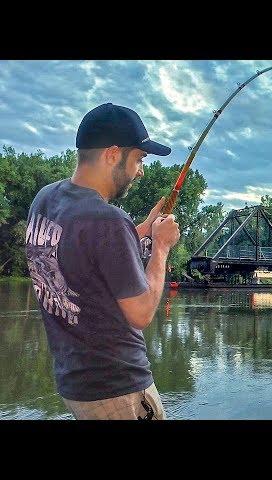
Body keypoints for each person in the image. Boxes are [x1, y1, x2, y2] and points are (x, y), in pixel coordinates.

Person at [24, 103, 180, 420]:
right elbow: (141, 313)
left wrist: (142, 230)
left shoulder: (47, 198)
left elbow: (83, 254)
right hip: (117, 388)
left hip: (77, 383)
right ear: (112, 154)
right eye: (138, 159)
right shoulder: (107, 220)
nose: (141, 170)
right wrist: (161, 246)